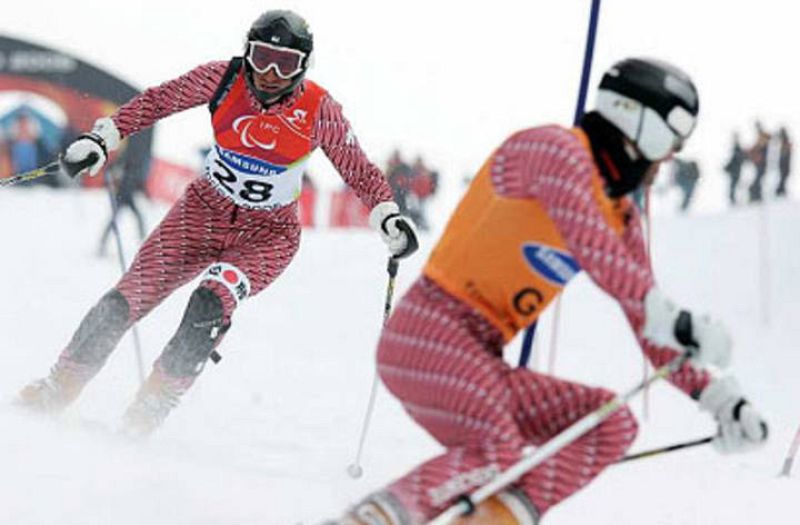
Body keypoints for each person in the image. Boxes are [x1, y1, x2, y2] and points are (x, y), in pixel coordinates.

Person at [327, 58, 768, 524]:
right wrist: (675, 318)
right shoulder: (553, 150)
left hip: (481, 356)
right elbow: (593, 245)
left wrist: (718, 398)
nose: (671, 158)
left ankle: (492, 518)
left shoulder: (622, 217)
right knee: (498, 451)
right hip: (429, 336)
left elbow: (647, 322)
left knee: (607, 422)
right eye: (673, 141)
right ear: (645, 124)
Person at [16, 10, 418, 437]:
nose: (267, 73)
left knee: (212, 299)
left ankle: (152, 404)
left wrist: (387, 215)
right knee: (123, 300)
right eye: (261, 57)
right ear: (247, 51)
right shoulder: (225, 78)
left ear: (303, 66)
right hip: (199, 215)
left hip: (267, 236)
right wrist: (102, 138)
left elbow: (357, 169)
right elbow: (158, 101)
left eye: (284, 64)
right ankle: (60, 385)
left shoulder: (319, 108)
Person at [747, 121, 770, 203]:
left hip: (762, 164)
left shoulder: (763, 138)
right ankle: (756, 197)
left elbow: (759, 147)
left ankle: (756, 197)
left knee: (756, 182)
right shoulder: (761, 139)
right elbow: (755, 148)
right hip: (759, 164)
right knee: (757, 181)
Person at [723, 132, 746, 205]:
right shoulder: (737, 149)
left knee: (734, 187)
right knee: (734, 186)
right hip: (735, 171)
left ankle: (735, 201)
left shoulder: (738, 149)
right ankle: (734, 201)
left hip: (736, 171)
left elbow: (735, 161)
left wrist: (728, 167)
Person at [775, 126, 792, 197]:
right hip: (784, 164)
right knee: (783, 178)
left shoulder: (785, 141)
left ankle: (781, 191)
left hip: (785, 164)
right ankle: (780, 191)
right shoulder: (784, 141)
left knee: (783, 178)